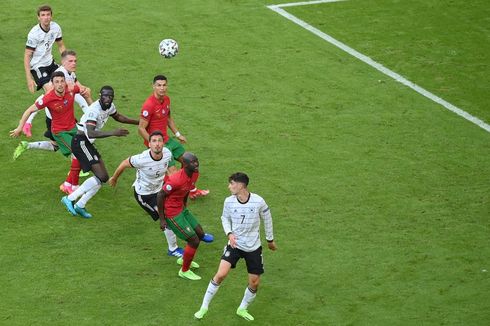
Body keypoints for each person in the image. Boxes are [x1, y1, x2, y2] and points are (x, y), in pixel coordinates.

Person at [194, 172, 277, 321]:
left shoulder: (258, 201)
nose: (229, 187)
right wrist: (229, 233)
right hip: (235, 244)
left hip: (253, 247)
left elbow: (267, 218)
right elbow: (224, 218)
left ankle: (242, 308)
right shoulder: (229, 201)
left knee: (254, 282)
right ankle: (203, 307)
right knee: (221, 274)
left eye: (231, 183)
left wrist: (270, 240)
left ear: (240, 185)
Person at [61, 85, 138, 218]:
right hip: (81, 142)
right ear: (100, 96)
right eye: (105, 96)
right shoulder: (94, 111)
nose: (107, 98)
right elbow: (90, 133)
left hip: (87, 143)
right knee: (101, 176)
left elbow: (119, 117)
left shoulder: (110, 106)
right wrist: (113, 132)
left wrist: (140, 122)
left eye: (110, 96)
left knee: (103, 177)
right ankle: (70, 199)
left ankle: (80, 205)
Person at [108, 130, 184, 257]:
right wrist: (114, 178)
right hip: (144, 195)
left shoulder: (167, 154)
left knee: (175, 211)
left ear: (163, 143)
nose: (157, 144)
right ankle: (173, 248)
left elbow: (170, 170)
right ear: (149, 144)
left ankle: (189, 235)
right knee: (165, 217)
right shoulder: (141, 159)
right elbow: (124, 163)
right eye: (154, 141)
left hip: (160, 191)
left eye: (160, 141)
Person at [10, 71, 83, 194]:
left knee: (80, 154)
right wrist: (19, 127)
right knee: (78, 153)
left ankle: (67, 185)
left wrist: (87, 95)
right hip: (60, 132)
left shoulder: (71, 90)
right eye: (57, 82)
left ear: (65, 82)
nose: (60, 84)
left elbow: (84, 90)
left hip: (73, 129)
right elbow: (29, 110)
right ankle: (73, 186)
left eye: (62, 81)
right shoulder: (48, 98)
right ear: (53, 84)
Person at [138, 75, 209, 199]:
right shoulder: (149, 105)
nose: (162, 88)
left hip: (168, 140)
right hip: (159, 144)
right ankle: (173, 196)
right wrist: (154, 144)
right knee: (174, 174)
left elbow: (168, 119)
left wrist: (178, 134)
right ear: (153, 86)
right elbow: (141, 128)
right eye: (159, 85)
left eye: (164, 85)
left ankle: (191, 190)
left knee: (190, 163)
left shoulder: (166, 100)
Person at [14, 50, 93, 161]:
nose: (74, 63)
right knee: (76, 147)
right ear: (63, 62)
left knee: (56, 145)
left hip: (65, 118)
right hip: (55, 120)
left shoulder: (70, 73)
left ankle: (27, 145)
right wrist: (26, 123)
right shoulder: (58, 79)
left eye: (75, 61)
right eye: (71, 61)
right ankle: (76, 173)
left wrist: (86, 91)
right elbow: (45, 99)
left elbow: (79, 88)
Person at [157, 152, 214, 280]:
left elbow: (187, 189)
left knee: (200, 234)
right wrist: (162, 219)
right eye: (193, 162)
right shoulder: (175, 179)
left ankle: (184, 259)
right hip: (172, 213)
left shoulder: (194, 174)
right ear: (185, 164)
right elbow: (160, 195)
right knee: (193, 240)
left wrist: (184, 204)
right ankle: (184, 270)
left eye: (197, 160)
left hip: (181, 209)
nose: (196, 164)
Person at [23, 5, 66, 137]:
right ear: (38, 17)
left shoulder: (56, 27)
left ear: (51, 16)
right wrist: (29, 78)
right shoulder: (34, 34)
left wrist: (66, 63)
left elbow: (61, 46)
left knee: (67, 86)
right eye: (43, 15)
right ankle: (49, 125)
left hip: (50, 63)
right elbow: (27, 56)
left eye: (48, 15)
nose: (46, 17)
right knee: (52, 93)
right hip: (37, 66)